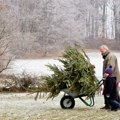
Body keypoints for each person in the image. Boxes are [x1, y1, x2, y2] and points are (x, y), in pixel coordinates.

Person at [99, 45, 120, 109]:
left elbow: (110, 66)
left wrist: (107, 73)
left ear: (106, 49)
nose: (101, 53)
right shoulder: (107, 56)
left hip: (112, 77)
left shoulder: (111, 56)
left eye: (102, 51)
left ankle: (116, 105)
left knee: (113, 92)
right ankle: (107, 105)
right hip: (108, 78)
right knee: (107, 91)